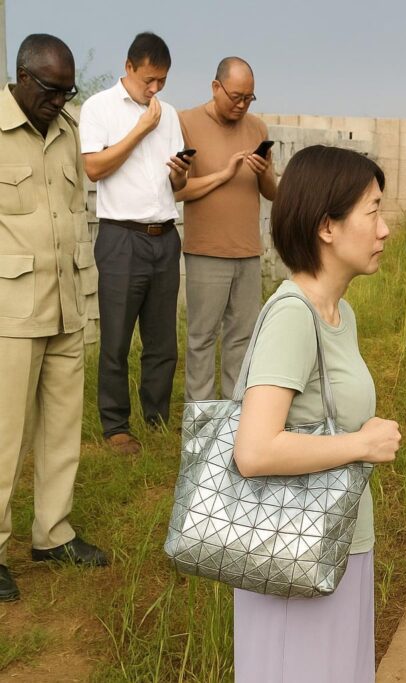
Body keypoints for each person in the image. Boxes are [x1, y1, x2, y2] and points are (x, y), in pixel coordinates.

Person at [232, 145, 401, 682]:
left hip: (337, 541)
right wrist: (361, 445)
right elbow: (254, 451)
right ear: (327, 226)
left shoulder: (339, 312)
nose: (384, 229)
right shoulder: (291, 316)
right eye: (372, 212)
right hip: (292, 550)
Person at [0, 34, 108, 603]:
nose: (61, 102)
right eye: (50, 90)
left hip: (67, 302)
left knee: (63, 428)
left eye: (68, 91)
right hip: (12, 311)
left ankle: (53, 532)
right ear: (20, 76)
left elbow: (71, 213)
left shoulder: (66, 132)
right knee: (4, 437)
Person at [79, 32, 190, 455]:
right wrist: (142, 129)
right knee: (117, 338)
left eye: (162, 80)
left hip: (164, 235)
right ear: (128, 67)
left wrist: (181, 173)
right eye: (149, 79)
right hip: (120, 237)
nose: (155, 88)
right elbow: (94, 168)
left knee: (162, 340)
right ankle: (115, 425)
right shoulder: (99, 108)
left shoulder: (171, 114)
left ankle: (157, 418)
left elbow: (179, 185)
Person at [177, 56, 277, 401]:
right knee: (202, 338)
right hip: (206, 251)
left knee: (243, 337)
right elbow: (178, 190)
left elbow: (272, 192)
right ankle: (201, 419)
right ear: (215, 87)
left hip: (248, 251)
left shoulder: (257, 128)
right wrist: (225, 174)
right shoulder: (185, 122)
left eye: (249, 98)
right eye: (236, 96)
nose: (242, 105)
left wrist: (263, 169)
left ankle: (235, 417)